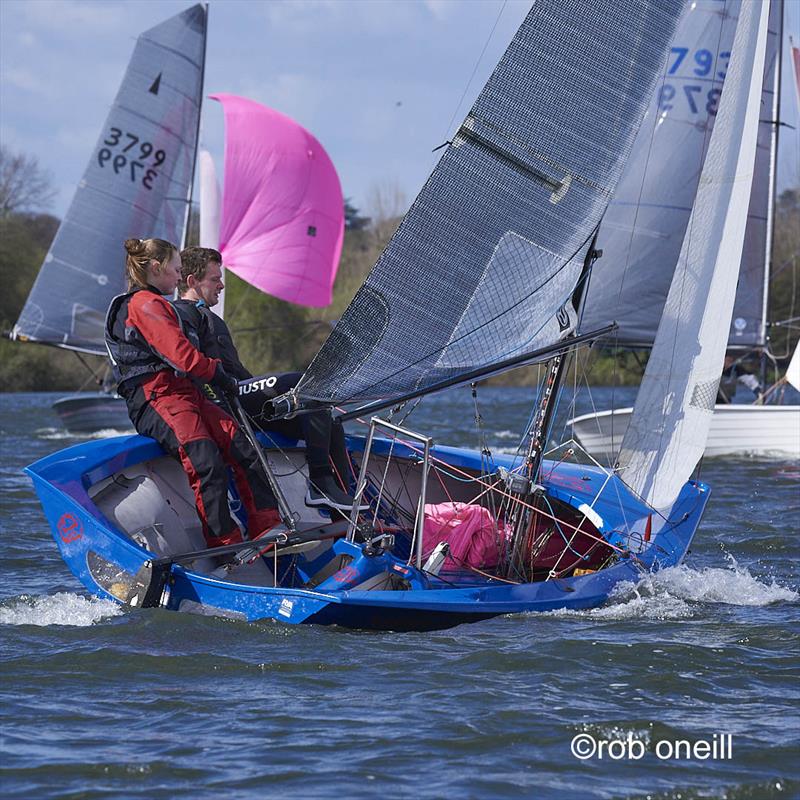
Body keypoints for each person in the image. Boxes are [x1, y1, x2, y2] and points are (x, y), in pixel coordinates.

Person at [104, 238, 282, 548]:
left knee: (243, 446)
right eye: (175, 270)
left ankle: (266, 527)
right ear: (157, 269)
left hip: (186, 394)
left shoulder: (160, 303)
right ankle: (224, 544)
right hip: (156, 398)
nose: (177, 276)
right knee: (206, 461)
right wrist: (218, 374)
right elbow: (181, 355)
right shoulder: (144, 304)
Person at [173, 246, 366, 512]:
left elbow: (239, 372)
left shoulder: (214, 320)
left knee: (329, 422)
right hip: (223, 401)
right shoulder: (181, 315)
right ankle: (320, 482)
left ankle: (341, 502)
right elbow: (192, 369)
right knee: (303, 382)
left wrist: (266, 397)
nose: (222, 285)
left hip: (242, 397)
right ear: (192, 281)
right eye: (215, 279)